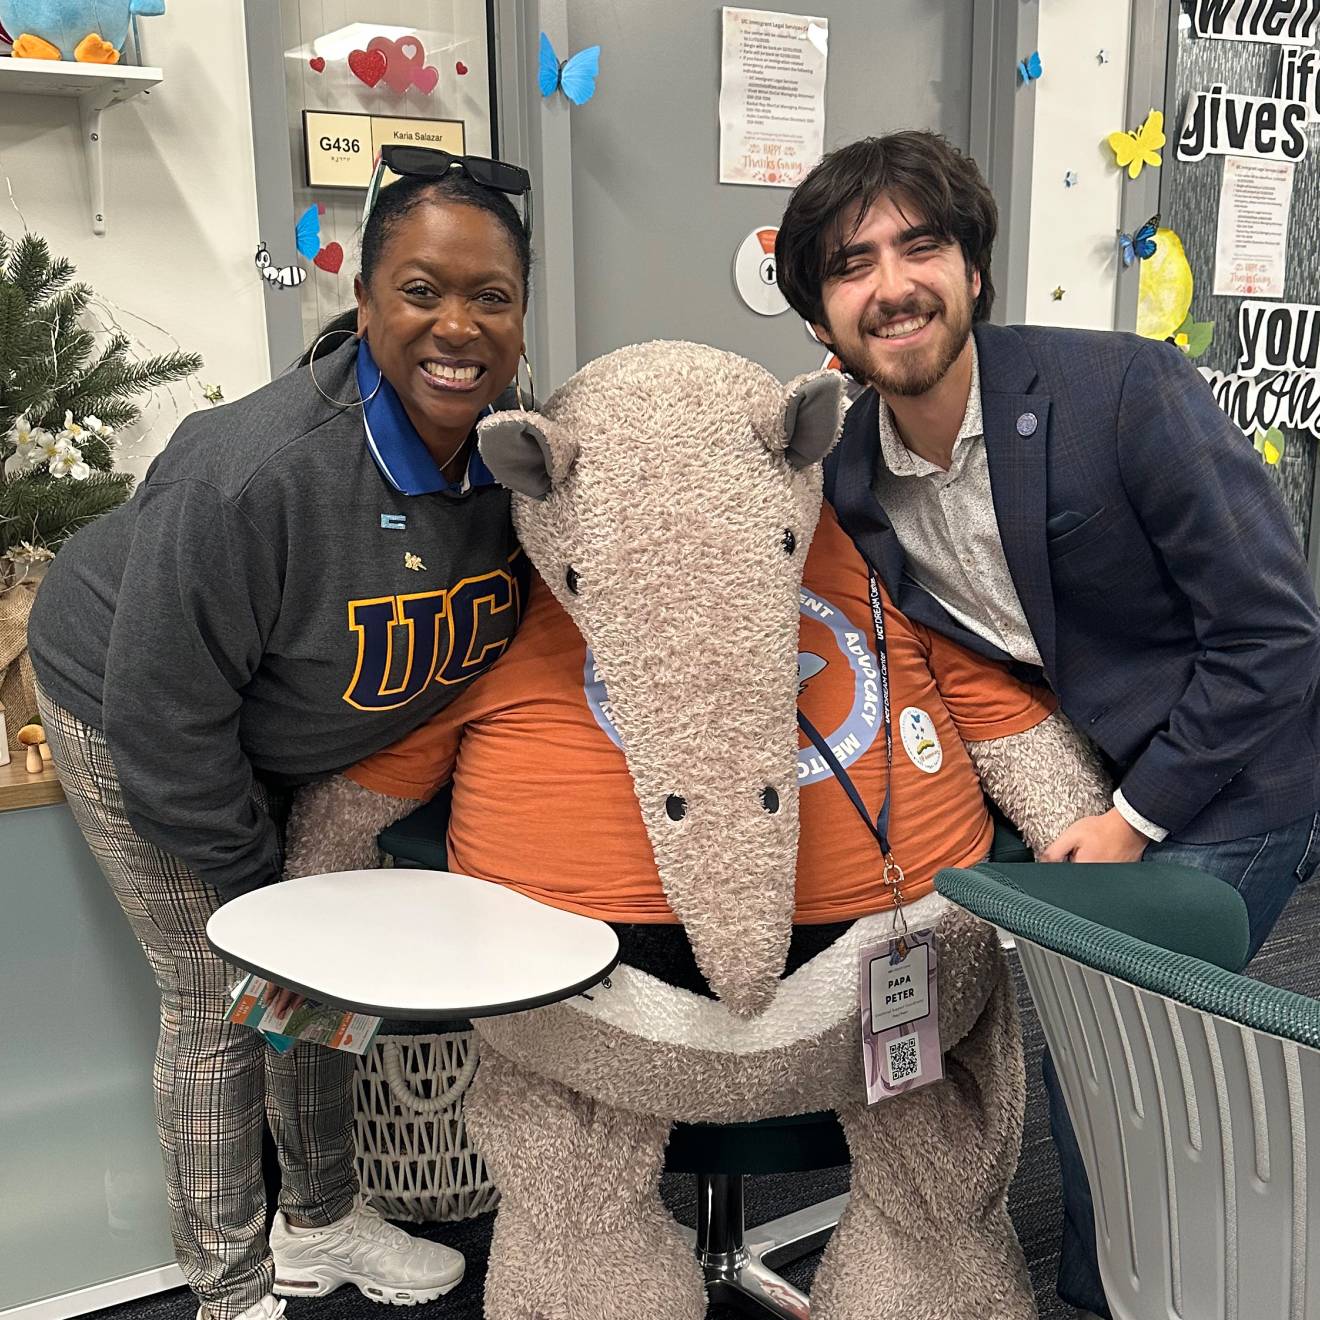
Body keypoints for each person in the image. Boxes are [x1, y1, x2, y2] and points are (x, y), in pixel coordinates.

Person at [774, 129, 1320, 1317]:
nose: (893, 284)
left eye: (920, 247)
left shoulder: (1123, 389)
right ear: (821, 315)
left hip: (1239, 770)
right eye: (852, 264)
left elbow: (1277, 638)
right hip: (1081, 772)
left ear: (972, 269)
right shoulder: (853, 475)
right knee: (1109, 1059)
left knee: (1141, 1064)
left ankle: (1127, 1291)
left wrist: (1130, 817)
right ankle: (1119, 1279)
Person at [26, 145, 535, 1320]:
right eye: (419, 291)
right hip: (134, 703)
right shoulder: (250, 473)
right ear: (362, 302)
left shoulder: (519, 455)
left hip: (301, 726)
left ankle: (320, 1225)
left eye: (491, 296)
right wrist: (263, 889)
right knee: (225, 992)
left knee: (323, 985)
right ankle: (232, 1289)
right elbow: (165, 714)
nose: (456, 325)